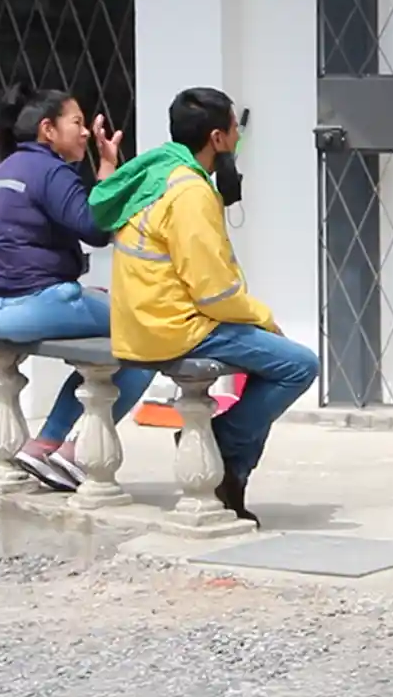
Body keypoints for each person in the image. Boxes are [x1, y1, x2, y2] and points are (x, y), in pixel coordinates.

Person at [88, 87, 319, 525]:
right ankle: (221, 443)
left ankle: (232, 477)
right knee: (298, 364)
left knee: (271, 365)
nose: (237, 139)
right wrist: (265, 320)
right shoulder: (190, 193)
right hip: (177, 326)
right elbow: (213, 293)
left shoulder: (158, 172)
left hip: (143, 321)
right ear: (217, 137)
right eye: (235, 130)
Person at [0, 83, 155, 492]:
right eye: (76, 122)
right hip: (37, 306)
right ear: (47, 129)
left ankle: (44, 444)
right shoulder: (50, 170)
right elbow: (96, 229)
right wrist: (108, 166)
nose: (84, 132)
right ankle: (69, 449)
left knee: (106, 316)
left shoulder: (6, 168)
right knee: (149, 336)